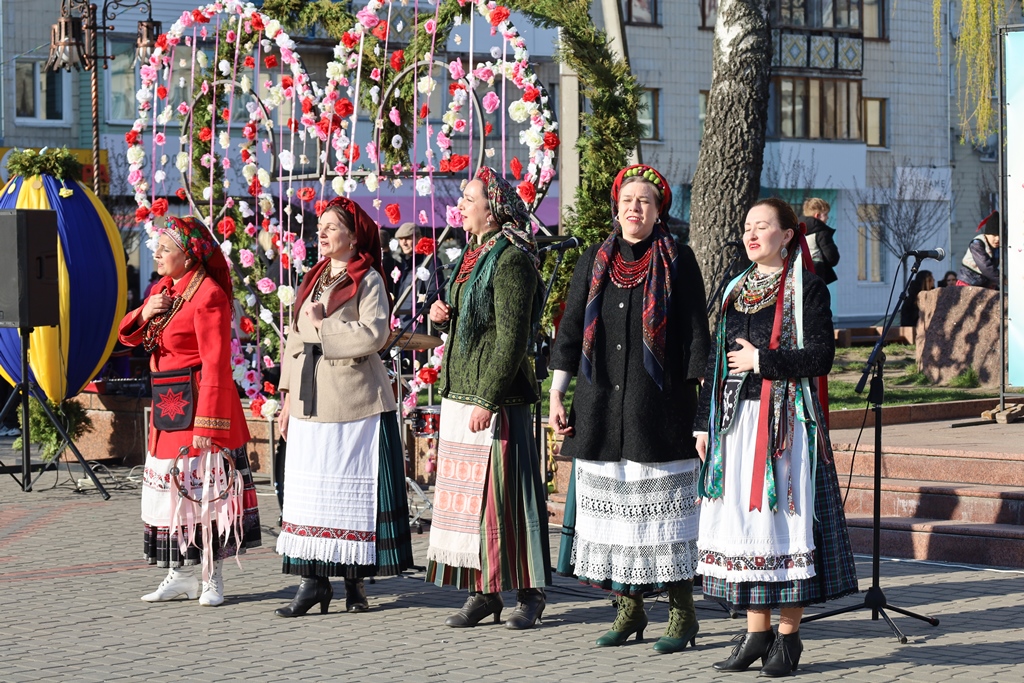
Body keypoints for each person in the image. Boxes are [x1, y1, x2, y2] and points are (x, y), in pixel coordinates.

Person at [549, 164, 710, 652]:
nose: (634, 208)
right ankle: (630, 610)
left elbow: (696, 335)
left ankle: (682, 615)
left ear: (659, 210)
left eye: (644, 200)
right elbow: (572, 329)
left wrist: (701, 412)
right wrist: (558, 391)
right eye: (627, 200)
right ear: (616, 208)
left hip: (658, 411)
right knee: (615, 520)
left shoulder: (679, 259)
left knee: (662, 520)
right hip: (601, 408)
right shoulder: (594, 261)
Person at [694, 198, 858, 677]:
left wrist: (762, 362)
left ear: (788, 235)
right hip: (735, 426)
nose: (751, 234)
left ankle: (787, 640)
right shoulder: (733, 288)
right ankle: (755, 633)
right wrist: (702, 423)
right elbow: (714, 356)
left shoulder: (807, 287)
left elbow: (822, 357)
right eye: (747, 226)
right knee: (747, 529)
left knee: (782, 527)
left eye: (762, 226)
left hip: (785, 429)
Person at [274, 197, 414, 617]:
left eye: (331, 227)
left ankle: (354, 584)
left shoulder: (367, 278)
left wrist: (324, 325)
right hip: (309, 401)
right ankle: (313, 582)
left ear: (353, 237)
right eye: (320, 227)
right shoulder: (313, 279)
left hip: (353, 402)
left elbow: (375, 333)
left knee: (351, 495)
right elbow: (295, 341)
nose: (322, 234)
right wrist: (285, 400)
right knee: (311, 495)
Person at [426, 166, 550, 630]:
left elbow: (512, 338)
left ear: (493, 208)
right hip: (464, 393)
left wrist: (489, 398)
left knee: (506, 500)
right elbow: (473, 324)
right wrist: (444, 316)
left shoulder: (511, 259)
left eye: (469, 197)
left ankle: (530, 592)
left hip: (497, 400)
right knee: (472, 502)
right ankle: (484, 591)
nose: (461, 204)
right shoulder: (473, 255)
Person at [118, 216, 260, 607]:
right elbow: (128, 335)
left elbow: (216, 363)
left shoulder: (208, 294)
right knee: (170, 491)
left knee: (207, 493)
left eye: (165, 249)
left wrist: (208, 423)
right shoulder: (163, 289)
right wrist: (146, 311)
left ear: (188, 254)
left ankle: (212, 578)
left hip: (199, 401)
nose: (156, 253)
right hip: (168, 405)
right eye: (157, 247)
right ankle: (177, 575)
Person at [799, 198, 839, 285]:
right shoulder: (821, 232)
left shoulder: (796, 229)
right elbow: (832, 258)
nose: (828, 217)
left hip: (798, 273)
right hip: (816, 273)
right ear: (817, 216)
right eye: (825, 214)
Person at [957, 210, 1000, 290]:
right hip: (968, 283)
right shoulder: (977, 244)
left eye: (1000, 235)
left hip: (983, 285)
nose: (997, 239)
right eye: (994, 235)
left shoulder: (997, 248)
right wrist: (1001, 278)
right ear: (986, 234)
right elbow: (986, 267)